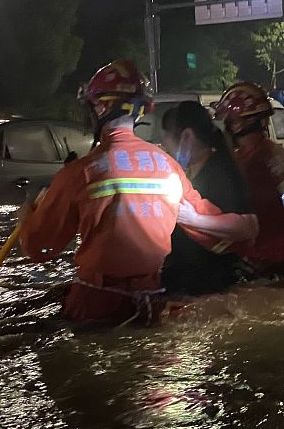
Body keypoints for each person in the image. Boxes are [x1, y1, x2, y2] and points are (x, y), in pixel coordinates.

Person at [17, 60, 258, 325]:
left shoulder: (79, 173)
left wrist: (27, 214)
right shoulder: (169, 167)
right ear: (141, 111)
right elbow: (221, 234)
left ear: (100, 107)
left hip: (95, 305)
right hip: (151, 306)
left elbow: (39, 249)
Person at [159, 101, 251, 294]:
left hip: (212, 284)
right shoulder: (194, 171)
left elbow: (248, 227)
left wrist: (195, 219)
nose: (167, 151)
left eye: (167, 144)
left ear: (186, 136)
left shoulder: (218, 174)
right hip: (195, 283)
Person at [214, 81, 284, 276]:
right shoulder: (277, 153)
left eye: (227, 122)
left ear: (238, 124)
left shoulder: (249, 163)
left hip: (262, 261)